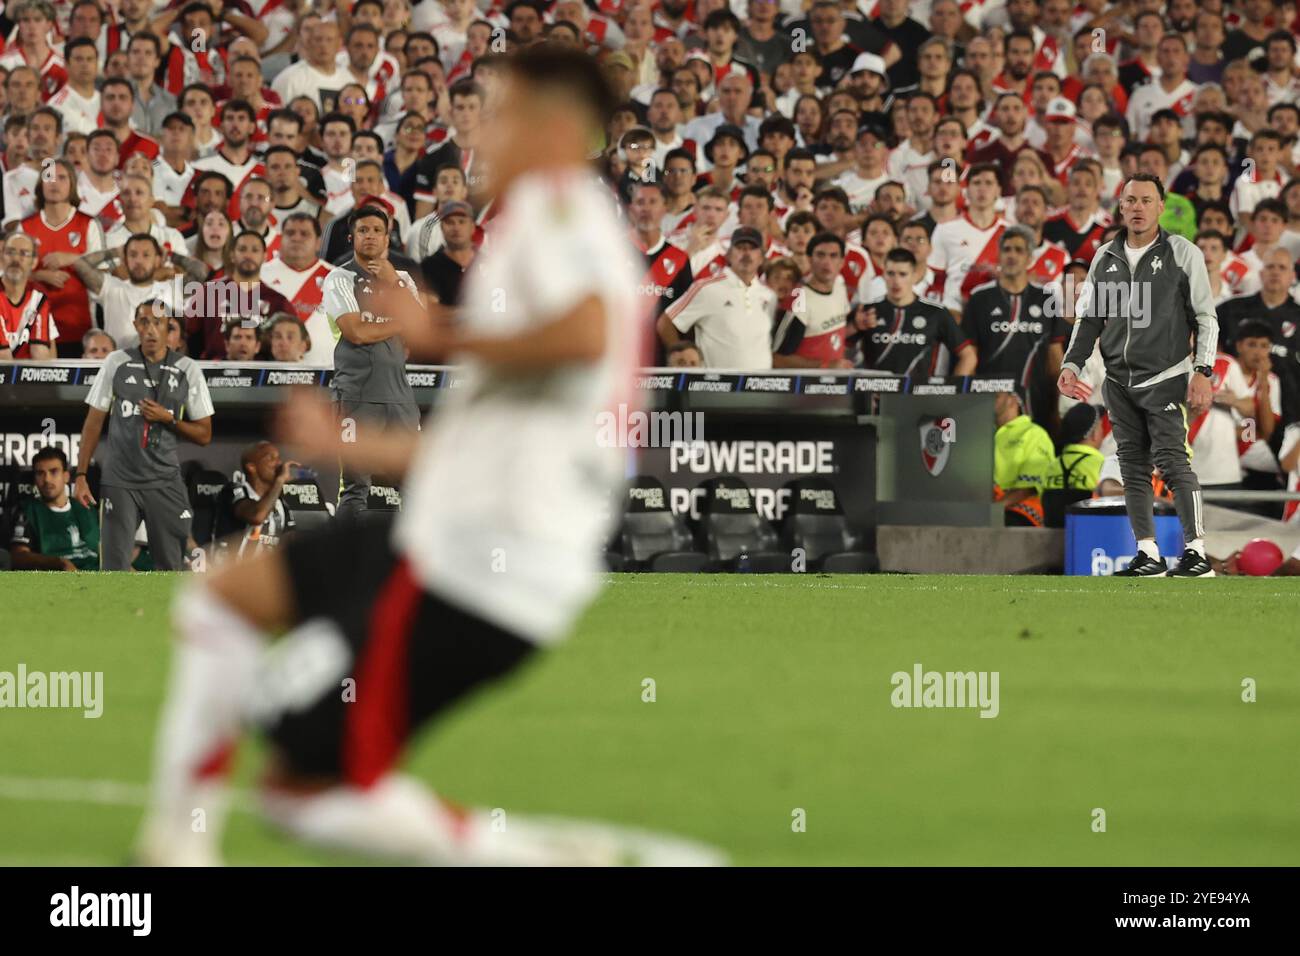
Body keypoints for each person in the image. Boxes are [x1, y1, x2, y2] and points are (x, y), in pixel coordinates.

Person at [136, 47, 645, 867]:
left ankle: (535, 861)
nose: (483, 130)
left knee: (304, 787)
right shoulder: (546, 220)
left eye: (502, 111)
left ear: (553, 124)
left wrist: (439, 331)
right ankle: (173, 842)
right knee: (226, 591)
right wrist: (365, 442)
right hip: (461, 536)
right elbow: (506, 426)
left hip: (479, 567)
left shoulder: (559, 208)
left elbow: (585, 334)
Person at [1059, 173, 1219, 577]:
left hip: (1166, 374)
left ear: (1161, 206)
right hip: (1117, 380)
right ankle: (1148, 553)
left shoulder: (1183, 253)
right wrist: (1071, 363)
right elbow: (1090, 318)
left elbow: (1206, 317)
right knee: (1131, 466)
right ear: (1120, 206)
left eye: (1147, 200)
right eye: (1131, 200)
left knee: (1172, 462)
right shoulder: (1105, 256)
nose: (1138, 208)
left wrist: (1203, 371)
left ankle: (1196, 552)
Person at [74, 300, 214, 571]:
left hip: (164, 481)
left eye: (158, 322)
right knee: (113, 568)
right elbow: (93, 422)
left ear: (168, 327)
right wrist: (80, 475)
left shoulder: (188, 369)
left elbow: (204, 434)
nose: (151, 329)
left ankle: (160, 613)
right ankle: (111, 614)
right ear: (136, 326)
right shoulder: (116, 362)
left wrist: (169, 419)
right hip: (120, 480)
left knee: (170, 567)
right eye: (144, 322)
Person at [320, 204, 423, 516]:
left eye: (377, 231)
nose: (370, 236)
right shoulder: (339, 278)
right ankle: (346, 561)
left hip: (400, 397)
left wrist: (394, 284)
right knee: (355, 484)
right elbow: (356, 332)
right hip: (356, 395)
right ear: (352, 237)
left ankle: (409, 561)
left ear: (388, 239)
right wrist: (399, 323)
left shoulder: (402, 279)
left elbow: (423, 332)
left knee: (415, 483)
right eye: (363, 230)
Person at [657, 226, 777, 369]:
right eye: (740, 247)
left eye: (752, 248)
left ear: (762, 257)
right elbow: (665, 322)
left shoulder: (769, 296)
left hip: (761, 386)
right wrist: (682, 360)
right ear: (729, 255)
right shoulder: (706, 288)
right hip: (716, 386)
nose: (746, 253)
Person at [851, 248, 976, 376]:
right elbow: (842, 347)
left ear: (914, 275)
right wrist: (854, 326)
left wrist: (954, 392)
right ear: (883, 274)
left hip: (918, 394)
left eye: (903, 274)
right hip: (875, 394)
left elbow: (968, 355)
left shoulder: (935, 312)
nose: (896, 281)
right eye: (890, 273)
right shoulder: (868, 311)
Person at [8, 446, 99, 571]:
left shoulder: (86, 509)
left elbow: (105, 549)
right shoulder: (27, 510)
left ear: (66, 476)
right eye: (40, 473)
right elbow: (18, 556)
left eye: (54, 471)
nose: (47, 479)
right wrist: (58, 563)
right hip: (56, 581)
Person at [771, 232, 852, 369]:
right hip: (803, 387)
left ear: (842, 262)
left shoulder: (839, 288)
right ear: (809, 259)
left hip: (833, 386)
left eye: (833, 256)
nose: (827, 262)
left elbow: (831, 334)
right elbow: (777, 359)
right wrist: (825, 366)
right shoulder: (799, 301)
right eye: (820, 255)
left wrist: (857, 326)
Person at [211, 441, 298, 561]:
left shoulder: (280, 502)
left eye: (278, 458)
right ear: (251, 467)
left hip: (262, 574)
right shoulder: (233, 490)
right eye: (271, 458)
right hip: (229, 574)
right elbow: (257, 516)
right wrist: (280, 481)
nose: (279, 463)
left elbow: (291, 540)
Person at [0, 231, 55, 360]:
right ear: (1, 258)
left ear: (34, 262)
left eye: (24, 253)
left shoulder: (38, 298)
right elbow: (3, 359)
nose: (16, 259)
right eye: (10, 252)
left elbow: (41, 354)